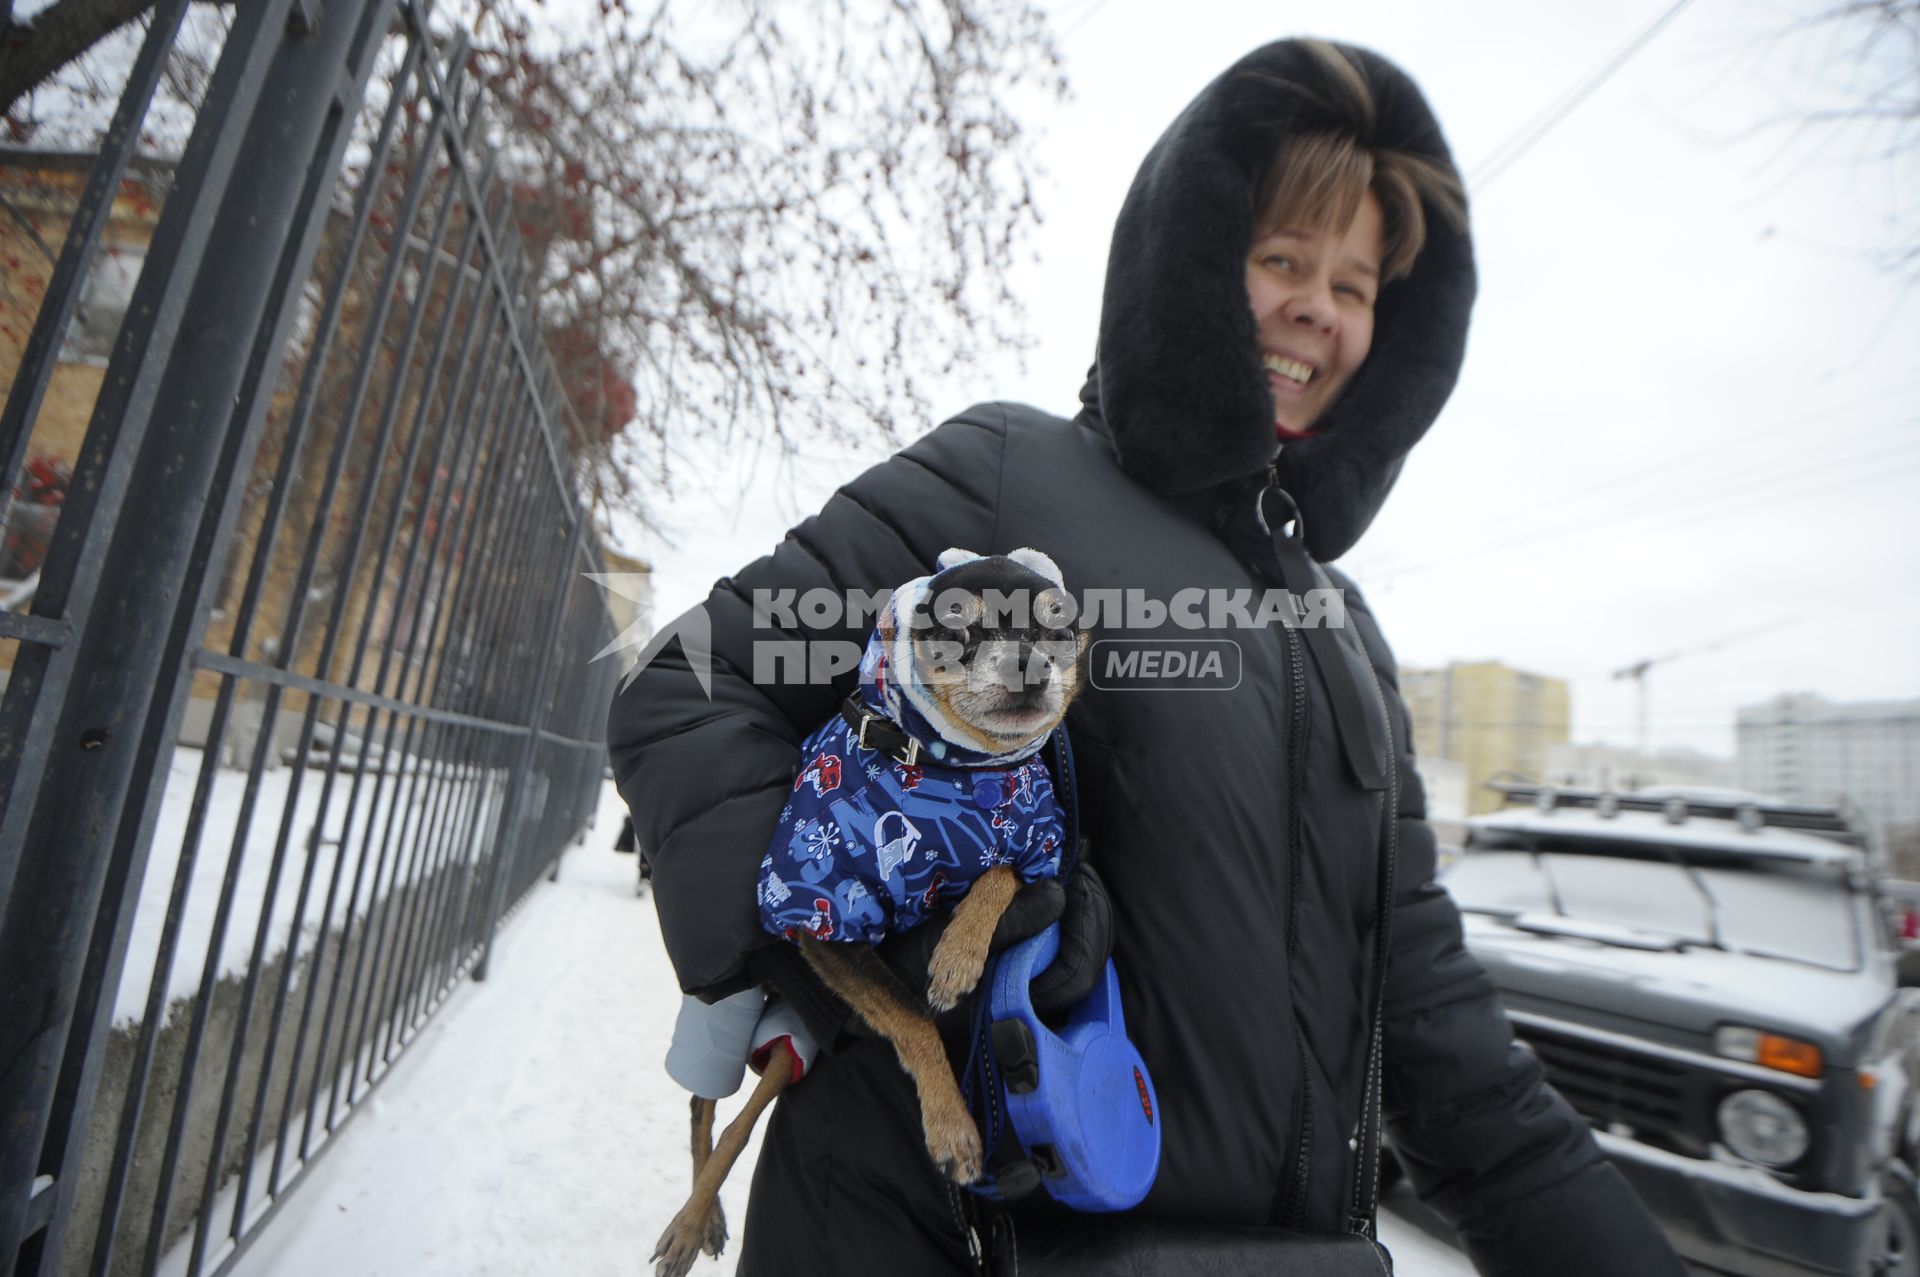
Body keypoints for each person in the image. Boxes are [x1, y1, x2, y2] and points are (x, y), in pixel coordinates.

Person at [608, 37, 1687, 1277]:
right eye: (1282, 258)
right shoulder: (1011, 477)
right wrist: (862, 946)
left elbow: (1453, 1061)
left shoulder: (1350, 644)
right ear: (1185, 260)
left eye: (1358, 284)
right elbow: (691, 683)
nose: (1318, 309)